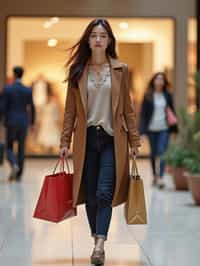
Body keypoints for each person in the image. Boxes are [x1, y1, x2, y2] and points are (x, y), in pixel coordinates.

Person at [59, 18, 141, 265]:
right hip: (86, 140)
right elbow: (70, 111)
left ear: (109, 41)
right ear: (88, 39)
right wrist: (64, 141)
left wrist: (135, 141)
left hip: (111, 139)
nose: (98, 39)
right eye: (94, 35)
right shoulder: (77, 71)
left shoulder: (120, 70)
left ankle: (99, 244)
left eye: (103, 36)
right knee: (91, 196)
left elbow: (128, 108)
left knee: (104, 192)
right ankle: (97, 233)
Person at [140, 72, 178, 189]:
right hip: (151, 129)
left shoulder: (167, 95)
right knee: (153, 153)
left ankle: (160, 177)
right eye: (158, 79)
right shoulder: (148, 96)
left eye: (162, 79)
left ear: (164, 82)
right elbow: (143, 115)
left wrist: (174, 129)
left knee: (162, 152)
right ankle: (155, 176)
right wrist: (142, 131)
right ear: (153, 81)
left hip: (164, 128)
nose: (160, 81)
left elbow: (172, 111)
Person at [3, 66, 35, 182]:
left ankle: (14, 163)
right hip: (23, 121)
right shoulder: (27, 90)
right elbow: (32, 107)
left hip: (11, 121)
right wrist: (32, 123)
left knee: (9, 147)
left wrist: (3, 120)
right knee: (21, 148)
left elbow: (3, 107)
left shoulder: (7, 89)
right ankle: (19, 174)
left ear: (14, 75)